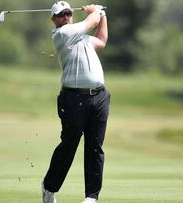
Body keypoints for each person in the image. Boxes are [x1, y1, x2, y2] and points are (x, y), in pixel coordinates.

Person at [41, 1, 109, 203]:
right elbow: (91, 21)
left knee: (95, 147)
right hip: (73, 98)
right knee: (69, 145)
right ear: (53, 19)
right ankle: (49, 187)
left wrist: (102, 16)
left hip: (99, 97)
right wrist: (96, 12)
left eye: (68, 13)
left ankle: (91, 197)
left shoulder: (81, 37)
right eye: (61, 15)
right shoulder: (62, 35)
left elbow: (102, 40)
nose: (66, 17)